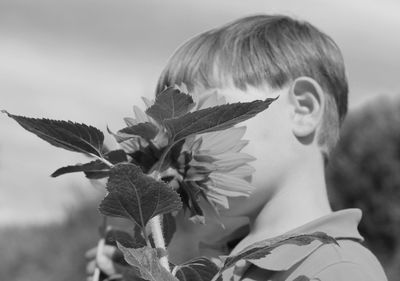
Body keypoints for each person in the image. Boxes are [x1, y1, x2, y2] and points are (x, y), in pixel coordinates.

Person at [86, 14, 388, 280]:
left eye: (207, 115)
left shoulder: (338, 269)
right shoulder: (221, 266)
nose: (177, 144)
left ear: (303, 110)